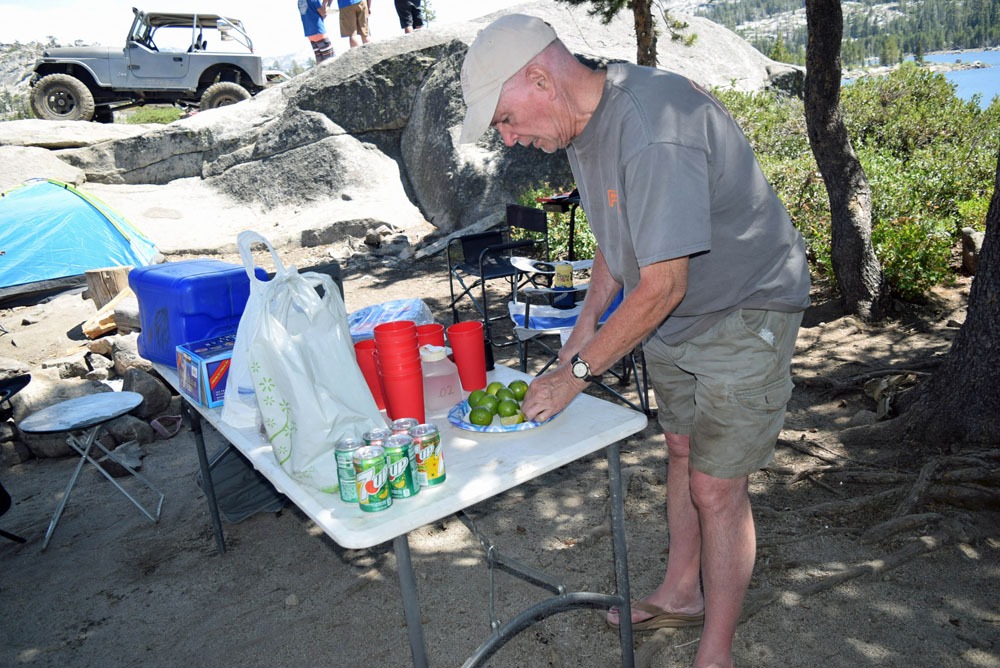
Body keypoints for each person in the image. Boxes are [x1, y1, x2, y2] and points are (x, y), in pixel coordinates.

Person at [459, 14, 810, 668]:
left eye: (506, 119)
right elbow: (615, 240)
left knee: (716, 487)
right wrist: (585, 325)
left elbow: (662, 283)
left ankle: (716, 653)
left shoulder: (650, 130)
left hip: (744, 304)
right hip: (677, 310)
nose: (509, 138)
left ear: (541, 78)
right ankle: (682, 592)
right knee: (680, 449)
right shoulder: (584, 131)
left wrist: (576, 374)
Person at [298, 0, 335, 64]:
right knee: (331, 60)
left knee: (320, 62)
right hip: (319, 31)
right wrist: (326, 5)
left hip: (309, 34)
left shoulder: (300, 1)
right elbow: (323, 13)